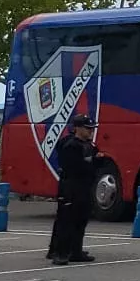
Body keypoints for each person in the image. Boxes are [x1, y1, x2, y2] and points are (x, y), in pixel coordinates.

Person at [47, 114, 100, 265]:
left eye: (91, 128)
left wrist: (95, 161)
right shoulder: (69, 144)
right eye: (87, 128)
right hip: (70, 186)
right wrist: (91, 162)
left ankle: (76, 251)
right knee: (66, 220)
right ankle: (59, 252)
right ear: (77, 128)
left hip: (85, 186)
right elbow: (74, 166)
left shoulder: (90, 145)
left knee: (81, 219)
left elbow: (96, 161)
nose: (90, 131)